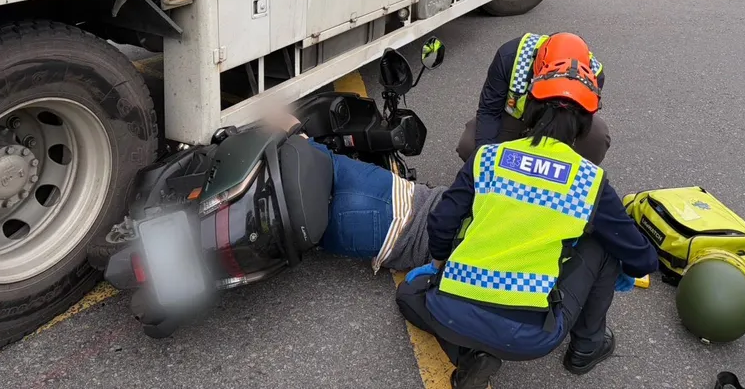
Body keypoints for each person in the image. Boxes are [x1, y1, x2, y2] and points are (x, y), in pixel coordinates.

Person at [396, 43, 658, 389]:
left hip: (450, 311)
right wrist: (621, 266)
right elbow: (642, 258)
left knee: (408, 295)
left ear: (529, 108)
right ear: (585, 124)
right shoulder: (588, 181)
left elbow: (443, 219)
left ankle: (469, 356)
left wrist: (440, 261)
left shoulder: (487, 158)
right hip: (531, 335)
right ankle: (587, 346)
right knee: (604, 243)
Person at [271, 113, 446, 272]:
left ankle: (254, 104)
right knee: (289, 226)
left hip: (399, 196)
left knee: (301, 141)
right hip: (390, 239)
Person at [455, 32, 609, 165]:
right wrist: (484, 162)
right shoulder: (510, 57)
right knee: (469, 144)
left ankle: (569, 178)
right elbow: (489, 111)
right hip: (516, 121)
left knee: (597, 137)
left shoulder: (594, 75)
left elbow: (580, 123)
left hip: (561, 124)